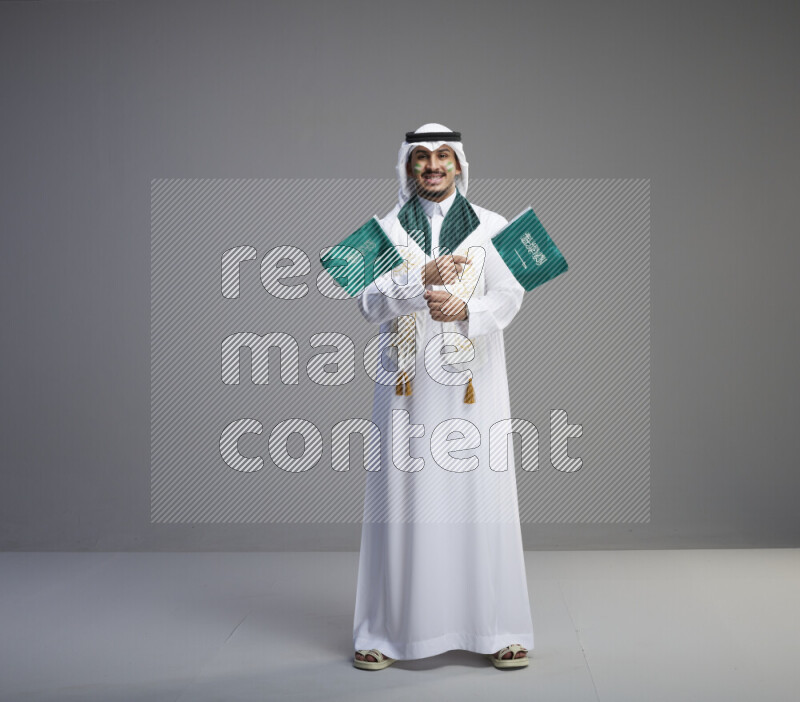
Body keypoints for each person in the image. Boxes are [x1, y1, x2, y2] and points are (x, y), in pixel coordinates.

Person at [352, 123, 534, 670]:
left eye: (443, 156)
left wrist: (469, 311)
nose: (432, 166)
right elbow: (365, 305)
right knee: (401, 501)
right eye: (421, 158)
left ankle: (497, 627)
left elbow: (511, 293)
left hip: (472, 391)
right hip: (407, 392)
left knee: (481, 496)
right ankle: (386, 632)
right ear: (408, 167)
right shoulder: (383, 231)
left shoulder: (492, 226)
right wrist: (416, 281)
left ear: (459, 164)